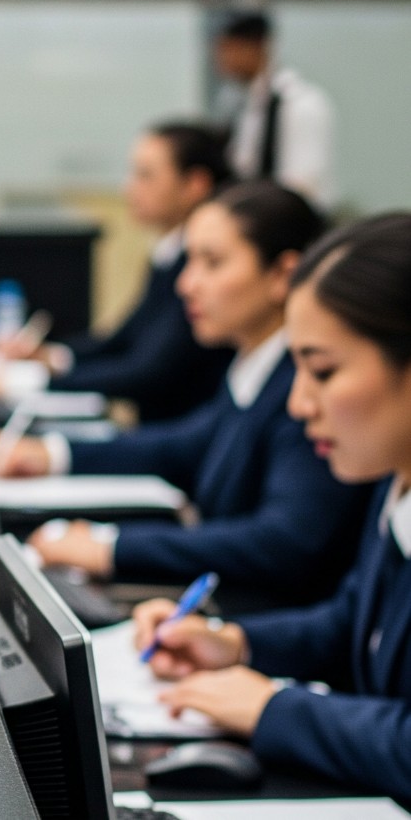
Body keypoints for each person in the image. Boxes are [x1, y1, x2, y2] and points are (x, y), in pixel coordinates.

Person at [133, 214, 411, 805]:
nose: (299, 401)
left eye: (325, 371)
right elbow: (351, 624)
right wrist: (233, 643)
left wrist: (272, 708)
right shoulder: (397, 486)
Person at [0, 183, 371, 606]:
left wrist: (111, 547)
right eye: (189, 263)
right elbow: (185, 445)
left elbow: (284, 539)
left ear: (282, 274)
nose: (186, 285)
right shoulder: (253, 366)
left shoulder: (305, 387)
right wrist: (51, 455)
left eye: (213, 263)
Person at [0, 121, 235, 421]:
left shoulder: (189, 265)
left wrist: (19, 380)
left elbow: (147, 371)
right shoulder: (168, 254)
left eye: (146, 176)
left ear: (195, 185)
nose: (129, 188)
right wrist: (49, 357)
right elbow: (121, 341)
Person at [215, 9, 337, 209]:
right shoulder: (242, 103)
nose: (221, 60)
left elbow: (306, 181)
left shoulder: (300, 103)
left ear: (256, 47)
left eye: (228, 49)